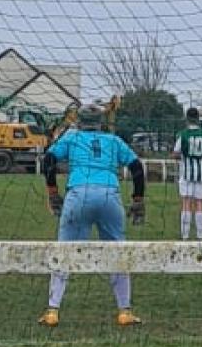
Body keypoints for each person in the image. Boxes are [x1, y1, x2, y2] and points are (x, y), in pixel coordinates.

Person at [39, 103, 147, 327]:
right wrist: (137, 199)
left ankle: (53, 310)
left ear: (79, 121)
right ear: (101, 123)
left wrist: (52, 192)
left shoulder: (72, 137)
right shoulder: (113, 140)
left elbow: (48, 160)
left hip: (78, 195)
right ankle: (124, 311)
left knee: (64, 251)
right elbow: (137, 168)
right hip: (109, 195)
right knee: (118, 252)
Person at [172, 108, 202, 240]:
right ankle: (200, 236)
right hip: (200, 173)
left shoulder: (183, 134)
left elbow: (176, 153)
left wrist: (182, 155)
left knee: (186, 203)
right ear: (198, 118)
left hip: (187, 173)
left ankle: (185, 236)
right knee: (200, 203)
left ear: (187, 118)